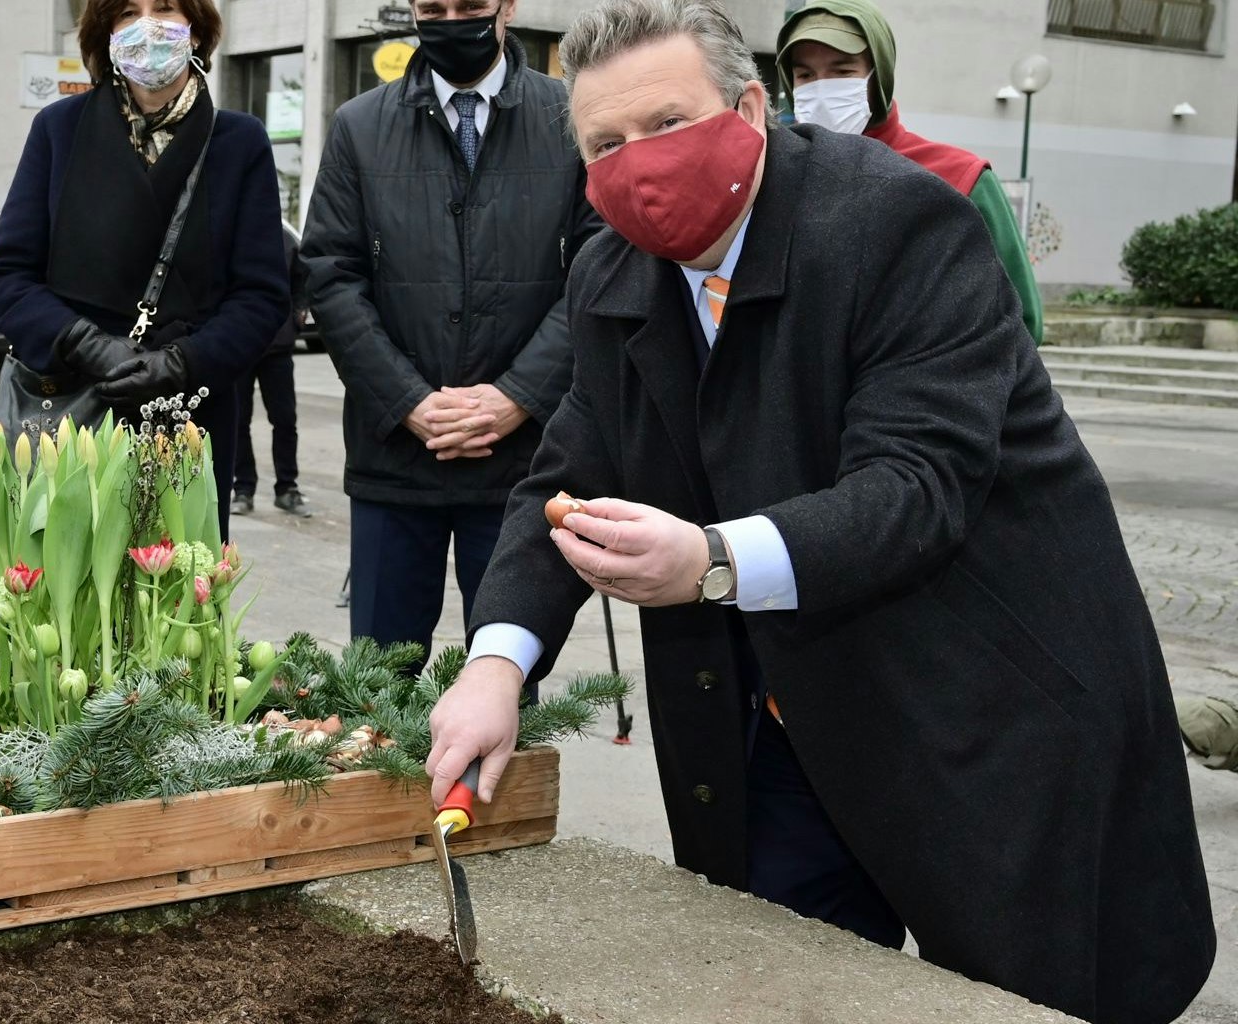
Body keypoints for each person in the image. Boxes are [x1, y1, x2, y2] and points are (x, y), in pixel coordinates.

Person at [425, 2, 1212, 1022]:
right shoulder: (609, 270)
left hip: (978, 707)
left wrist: (707, 560)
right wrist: (496, 661)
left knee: (1024, 990)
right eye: (604, 144)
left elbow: (915, 485)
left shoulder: (895, 222)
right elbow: (564, 474)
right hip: (779, 727)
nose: (639, 164)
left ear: (749, 106)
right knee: (780, 975)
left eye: (666, 125)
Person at [301, 0, 599, 673]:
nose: (451, 20)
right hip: (395, 461)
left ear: (509, 6)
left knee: (506, 674)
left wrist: (517, 395)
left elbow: (598, 270)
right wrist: (408, 401)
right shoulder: (359, 125)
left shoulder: (570, 117)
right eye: (433, 8)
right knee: (376, 685)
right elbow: (330, 275)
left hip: (522, 463)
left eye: (469, 6)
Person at [0, 0, 287, 535]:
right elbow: (7, 273)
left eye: (166, 8)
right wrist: (85, 344)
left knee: (165, 601)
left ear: (196, 32)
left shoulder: (239, 142)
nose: (147, 26)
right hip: (67, 413)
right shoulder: (59, 128)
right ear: (105, 36)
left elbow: (260, 296)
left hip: (186, 421)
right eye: (127, 13)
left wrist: (180, 363)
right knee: (47, 596)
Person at [776, 0, 1044, 343]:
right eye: (806, 76)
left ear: (880, 77)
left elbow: (1022, 321)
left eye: (843, 72)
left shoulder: (959, 178)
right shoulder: (775, 183)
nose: (822, 89)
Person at [232, 227, 310, 519]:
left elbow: (302, 281)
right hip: (240, 348)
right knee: (239, 422)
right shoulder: (234, 236)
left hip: (277, 348)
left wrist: (297, 318)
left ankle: (287, 489)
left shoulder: (287, 241)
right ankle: (243, 489)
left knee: (285, 419)